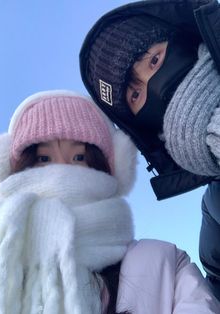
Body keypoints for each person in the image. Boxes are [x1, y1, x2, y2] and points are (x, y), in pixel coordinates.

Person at [0, 90, 218, 313]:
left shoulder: (165, 263)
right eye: (43, 158)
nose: (61, 170)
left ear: (108, 168)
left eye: (79, 157)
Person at [79, 0, 220, 301]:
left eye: (154, 60)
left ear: (182, 39)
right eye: (135, 94)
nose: (157, 87)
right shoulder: (215, 212)